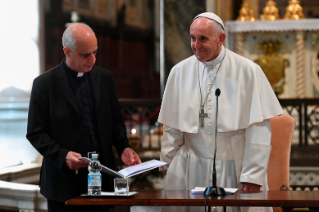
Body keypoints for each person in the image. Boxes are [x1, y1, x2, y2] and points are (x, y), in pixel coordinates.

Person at [157, 12, 283, 212]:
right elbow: (172, 127)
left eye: (203, 39)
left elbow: (258, 129)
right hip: (190, 166)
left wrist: (252, 175)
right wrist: (168, 164)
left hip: (234, 167)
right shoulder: (179, 72)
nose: (196, 45)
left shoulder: (248, 71)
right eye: (192, 38)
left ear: (221, 39)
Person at [26, 23, 141, 212]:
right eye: (85, 55)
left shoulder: (104, 78)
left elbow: (115, 121)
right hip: (63, 184)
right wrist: (62, 156)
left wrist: (124, 147)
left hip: (102, 180)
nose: (93, 60)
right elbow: (35, 133)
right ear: (67, 51)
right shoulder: (44, 84)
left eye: (95, 52)